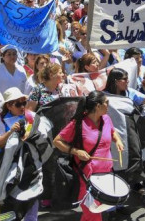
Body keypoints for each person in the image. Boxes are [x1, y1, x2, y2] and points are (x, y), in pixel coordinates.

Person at [52, 91, 124, 221]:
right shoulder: (78, 123)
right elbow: (57, 141)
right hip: (86, 178)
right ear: (97, 106)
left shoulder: (106, 119)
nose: (109, 105)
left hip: (105, 175)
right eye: (106, 103)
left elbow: (113, 132)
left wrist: (117, 140)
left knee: (91, 215)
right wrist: (76, 151)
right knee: (94, 215)